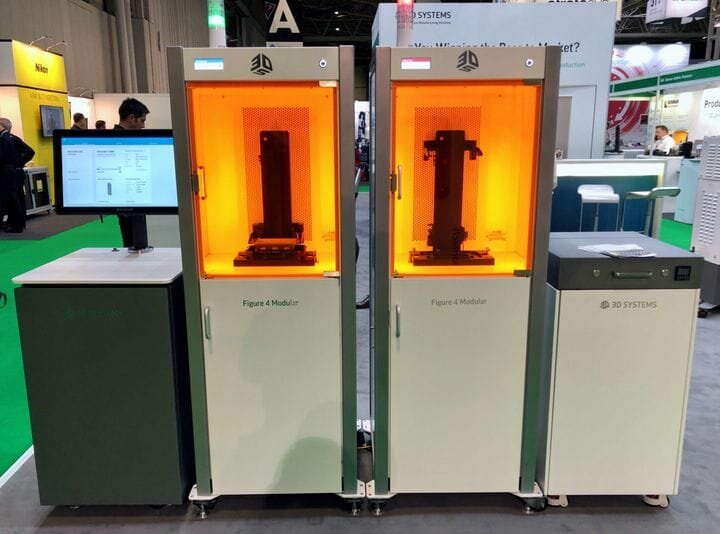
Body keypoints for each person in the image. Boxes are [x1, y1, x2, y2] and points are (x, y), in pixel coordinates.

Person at [114, 98, 150, 247]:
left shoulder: (128, 137)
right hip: (127, 197)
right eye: (142, 121)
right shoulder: (116, 139)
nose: (143, 126)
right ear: (131, 117)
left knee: (136, 240)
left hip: (136, 194)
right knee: (132, 241)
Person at [0, 118, 35, 233]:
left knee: (11, 199)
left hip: (7, 173)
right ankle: (19, 223)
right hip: (17, 172)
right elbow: (30, 151)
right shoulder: (13, 138)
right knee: (19, 198)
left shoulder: (3, 139)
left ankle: (15, 225)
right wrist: (20, 163)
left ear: (2, 126)